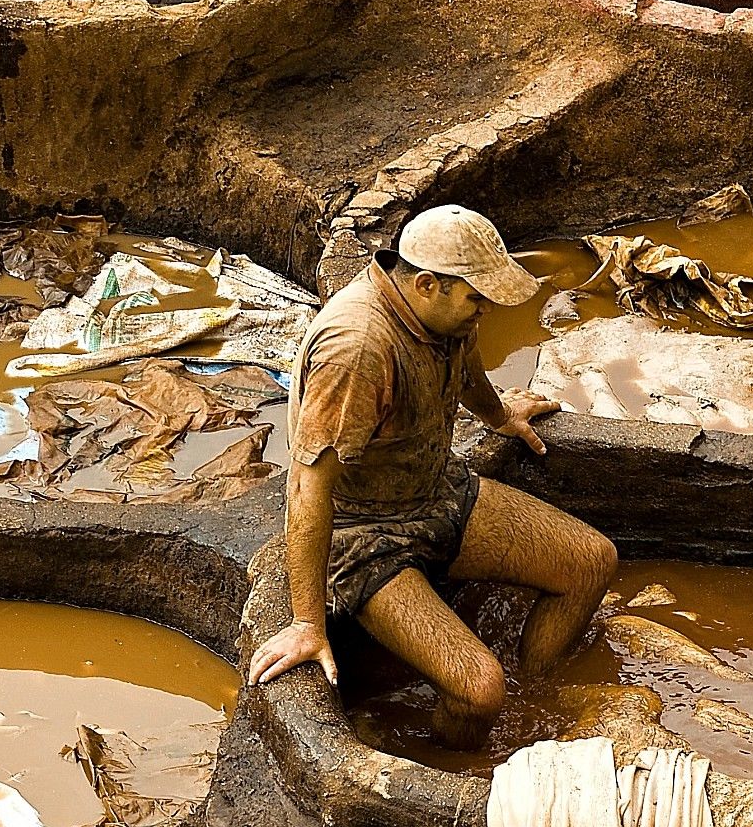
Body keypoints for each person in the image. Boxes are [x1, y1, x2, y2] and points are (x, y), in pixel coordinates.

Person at [246, 204, 619, 745]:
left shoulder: (444, 315)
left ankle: (537, 693)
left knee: (591, 562)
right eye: (476, 298)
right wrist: (307, 622)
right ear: (426, 284)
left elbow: (465, 370)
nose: (485, 311)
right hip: (362, 534)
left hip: (433, 491)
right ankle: (453, 763)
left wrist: (500, 416)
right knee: (479, 688)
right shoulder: (358, 350)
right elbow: (307, 484)